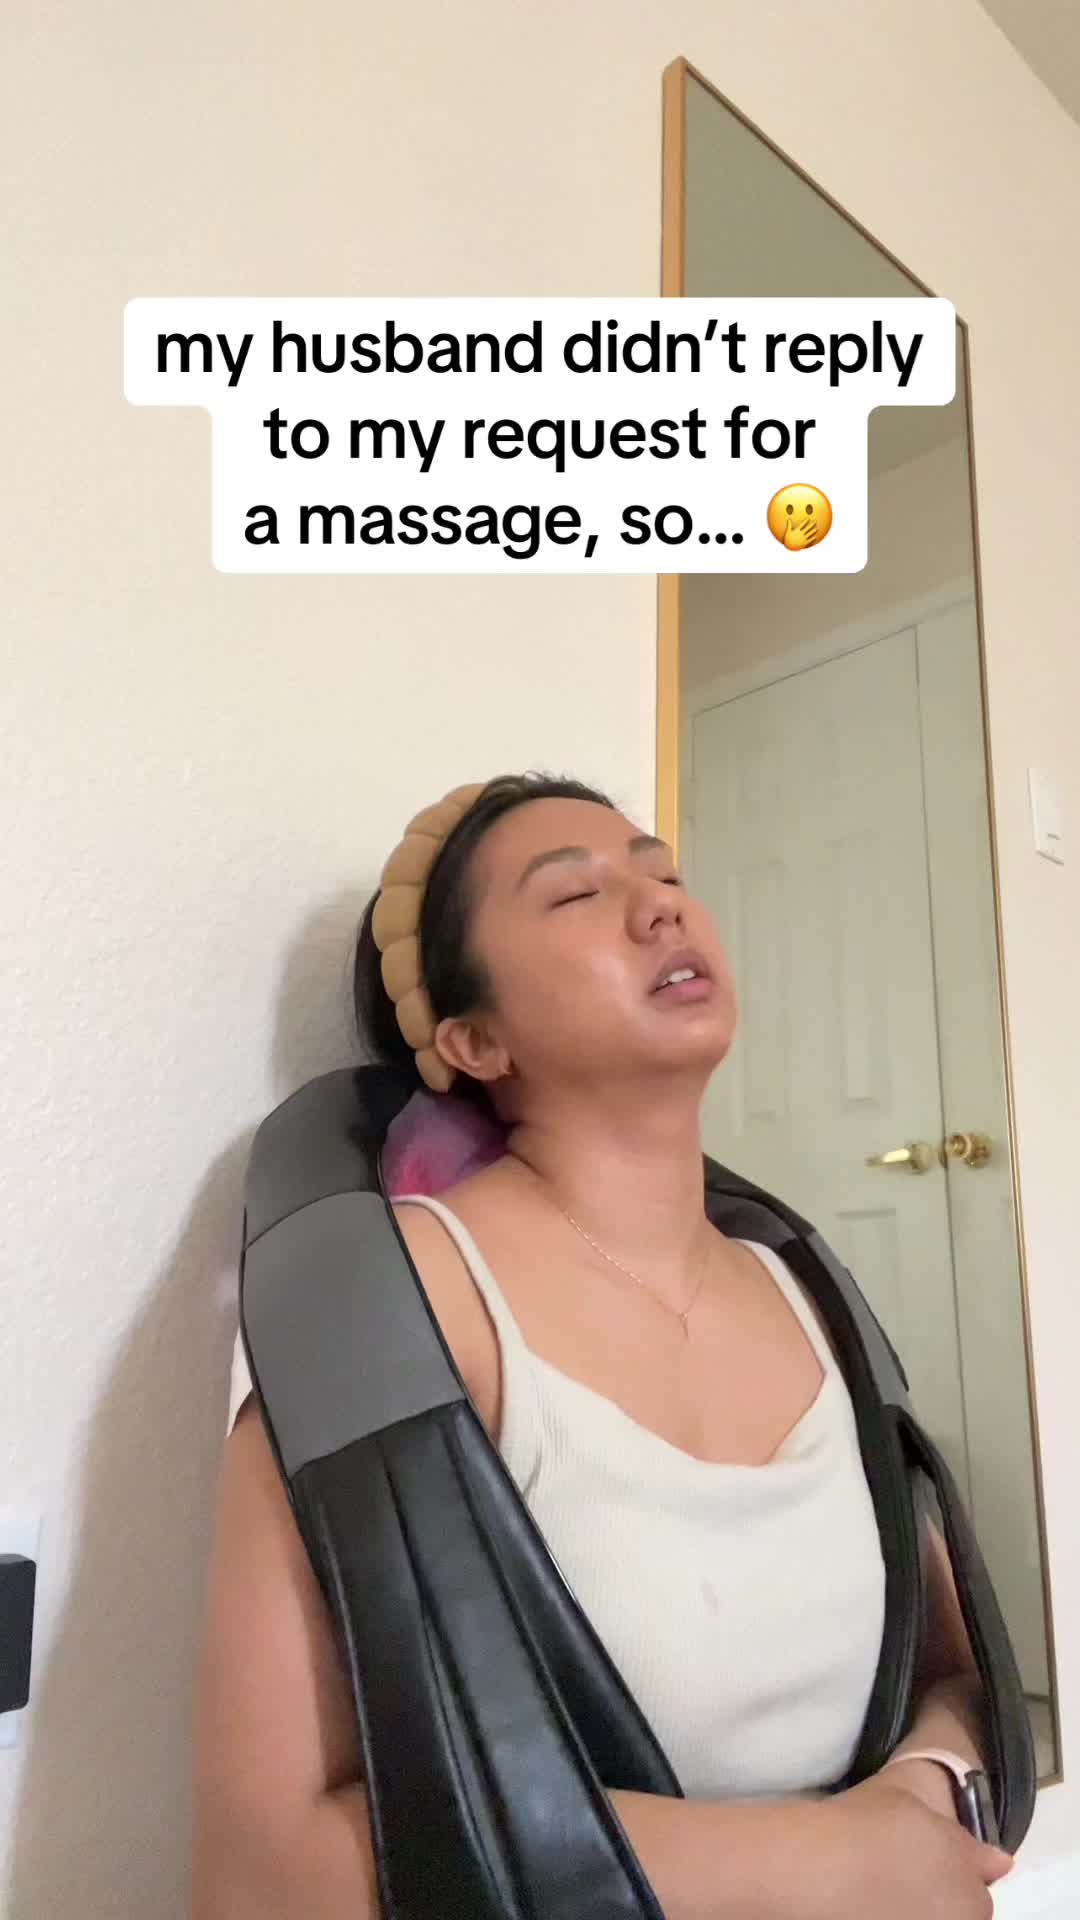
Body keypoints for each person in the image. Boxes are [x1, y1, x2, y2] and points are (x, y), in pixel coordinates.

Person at [191, 771, 1015, 1920]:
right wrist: (817, 1861)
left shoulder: (807, 1288)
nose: (662, 905)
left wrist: (919, 1796)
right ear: (474, 1039)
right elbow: (259, 1873)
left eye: (663, 872)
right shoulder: (396, 1305)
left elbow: (960, 1682)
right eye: (576, 894)